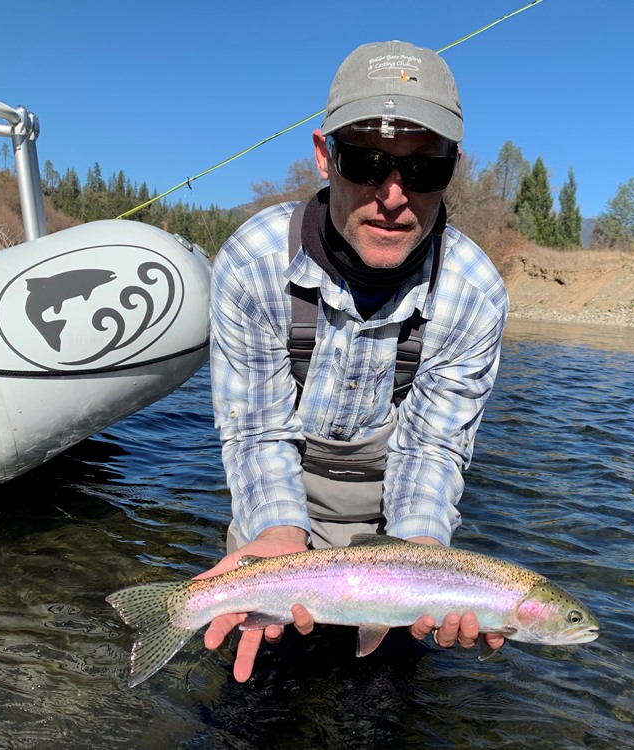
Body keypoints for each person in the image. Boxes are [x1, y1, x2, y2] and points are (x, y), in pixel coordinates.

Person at [204, 40, 510, 682]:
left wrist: (426, 561)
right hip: (276, 525)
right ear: (324, 156)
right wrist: (279, 538)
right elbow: (258, 434)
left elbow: (431, 451)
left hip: (395, 547)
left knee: (377, 712)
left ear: (454, 166)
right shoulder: (254, 262)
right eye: (365, 162)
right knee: (248, 709)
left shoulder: (473, 291)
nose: (393, 194)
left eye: (424, 169)